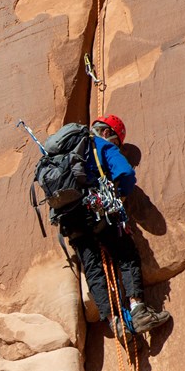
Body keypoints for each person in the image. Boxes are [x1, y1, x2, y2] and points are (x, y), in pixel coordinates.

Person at [57, 115, 170, 334]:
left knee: (92, 268)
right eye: (117, 142)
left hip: (70, 218)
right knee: (126, 254)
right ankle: (139, 312)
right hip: (97, 209)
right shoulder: (100, 144)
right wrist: (121, 195)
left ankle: (115, 323)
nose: (116, 146)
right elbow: (125, 172)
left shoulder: (65, 153)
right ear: (107, 133)